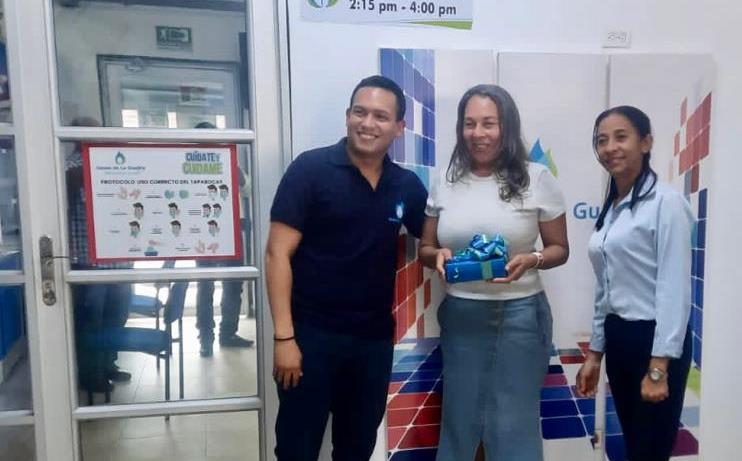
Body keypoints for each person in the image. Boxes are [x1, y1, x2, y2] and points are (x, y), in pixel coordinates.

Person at [266, 75, 428, 461]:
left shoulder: (405, 185)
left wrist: (458, 255)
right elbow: (276, 255)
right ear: (347, 116)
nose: (367, 123)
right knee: (296, 449)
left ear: (399, 128)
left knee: (357, 449)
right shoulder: (310, 169)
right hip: (309, 338)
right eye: (360, 112)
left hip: (372, 342)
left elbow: (433, 239)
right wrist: (284, 339)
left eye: (380, 116)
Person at [418, 84, 569, 461]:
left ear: (507, 126)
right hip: (462, 316)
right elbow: (426, 248)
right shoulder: (445, 180)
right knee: (461, 422)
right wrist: (437, 256)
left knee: (513, 425)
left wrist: (531, 259)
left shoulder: (536, 178)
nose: (478, 133)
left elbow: (559, 249)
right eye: (469, 123)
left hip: (521, 316)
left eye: (489, 123)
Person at [575, 106, 693, 461]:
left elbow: (674, 289)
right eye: (602, 140)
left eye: (621, 137)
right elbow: (606, 288)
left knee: (650, 450)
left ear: (646, 143)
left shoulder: (666, 203)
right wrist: (595, 353)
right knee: (634, 444)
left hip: (654, 341)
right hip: (619, 338)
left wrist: (658, 367)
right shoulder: (613, 207)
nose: (610, 147)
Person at [66, 116, 133, 395]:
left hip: (119, 260)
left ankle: (108, 364)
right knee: (91, 320)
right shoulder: (71, 169)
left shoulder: (111, 165)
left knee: (117, 316)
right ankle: (90, 374)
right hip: (89, 263)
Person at [193, 121, 253, 357]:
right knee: (205, 286)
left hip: (231, 231)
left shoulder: (228, 161)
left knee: (234, 284)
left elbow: (248, 190)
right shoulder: (187, 163)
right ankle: (205, 338)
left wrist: (236, 172)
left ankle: (228, 333)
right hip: (201, 232)